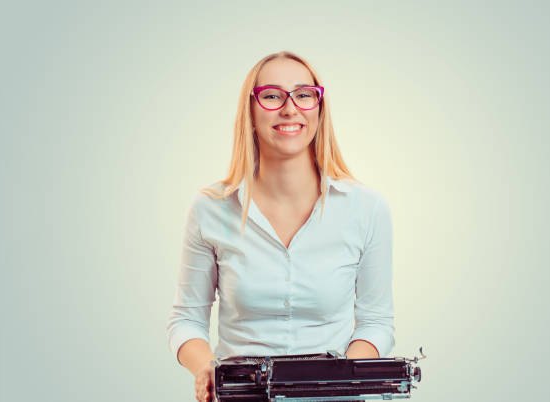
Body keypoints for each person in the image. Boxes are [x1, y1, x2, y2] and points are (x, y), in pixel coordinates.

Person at [166, 51, 395, 402]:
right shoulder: (210, 208)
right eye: (272, 95)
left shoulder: (367, 208)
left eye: (304, 95)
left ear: (319, 108)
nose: (290, 108)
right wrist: (204, 367)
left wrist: (334, 381)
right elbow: (187, 320)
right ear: (251, 111)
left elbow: (376, 323)